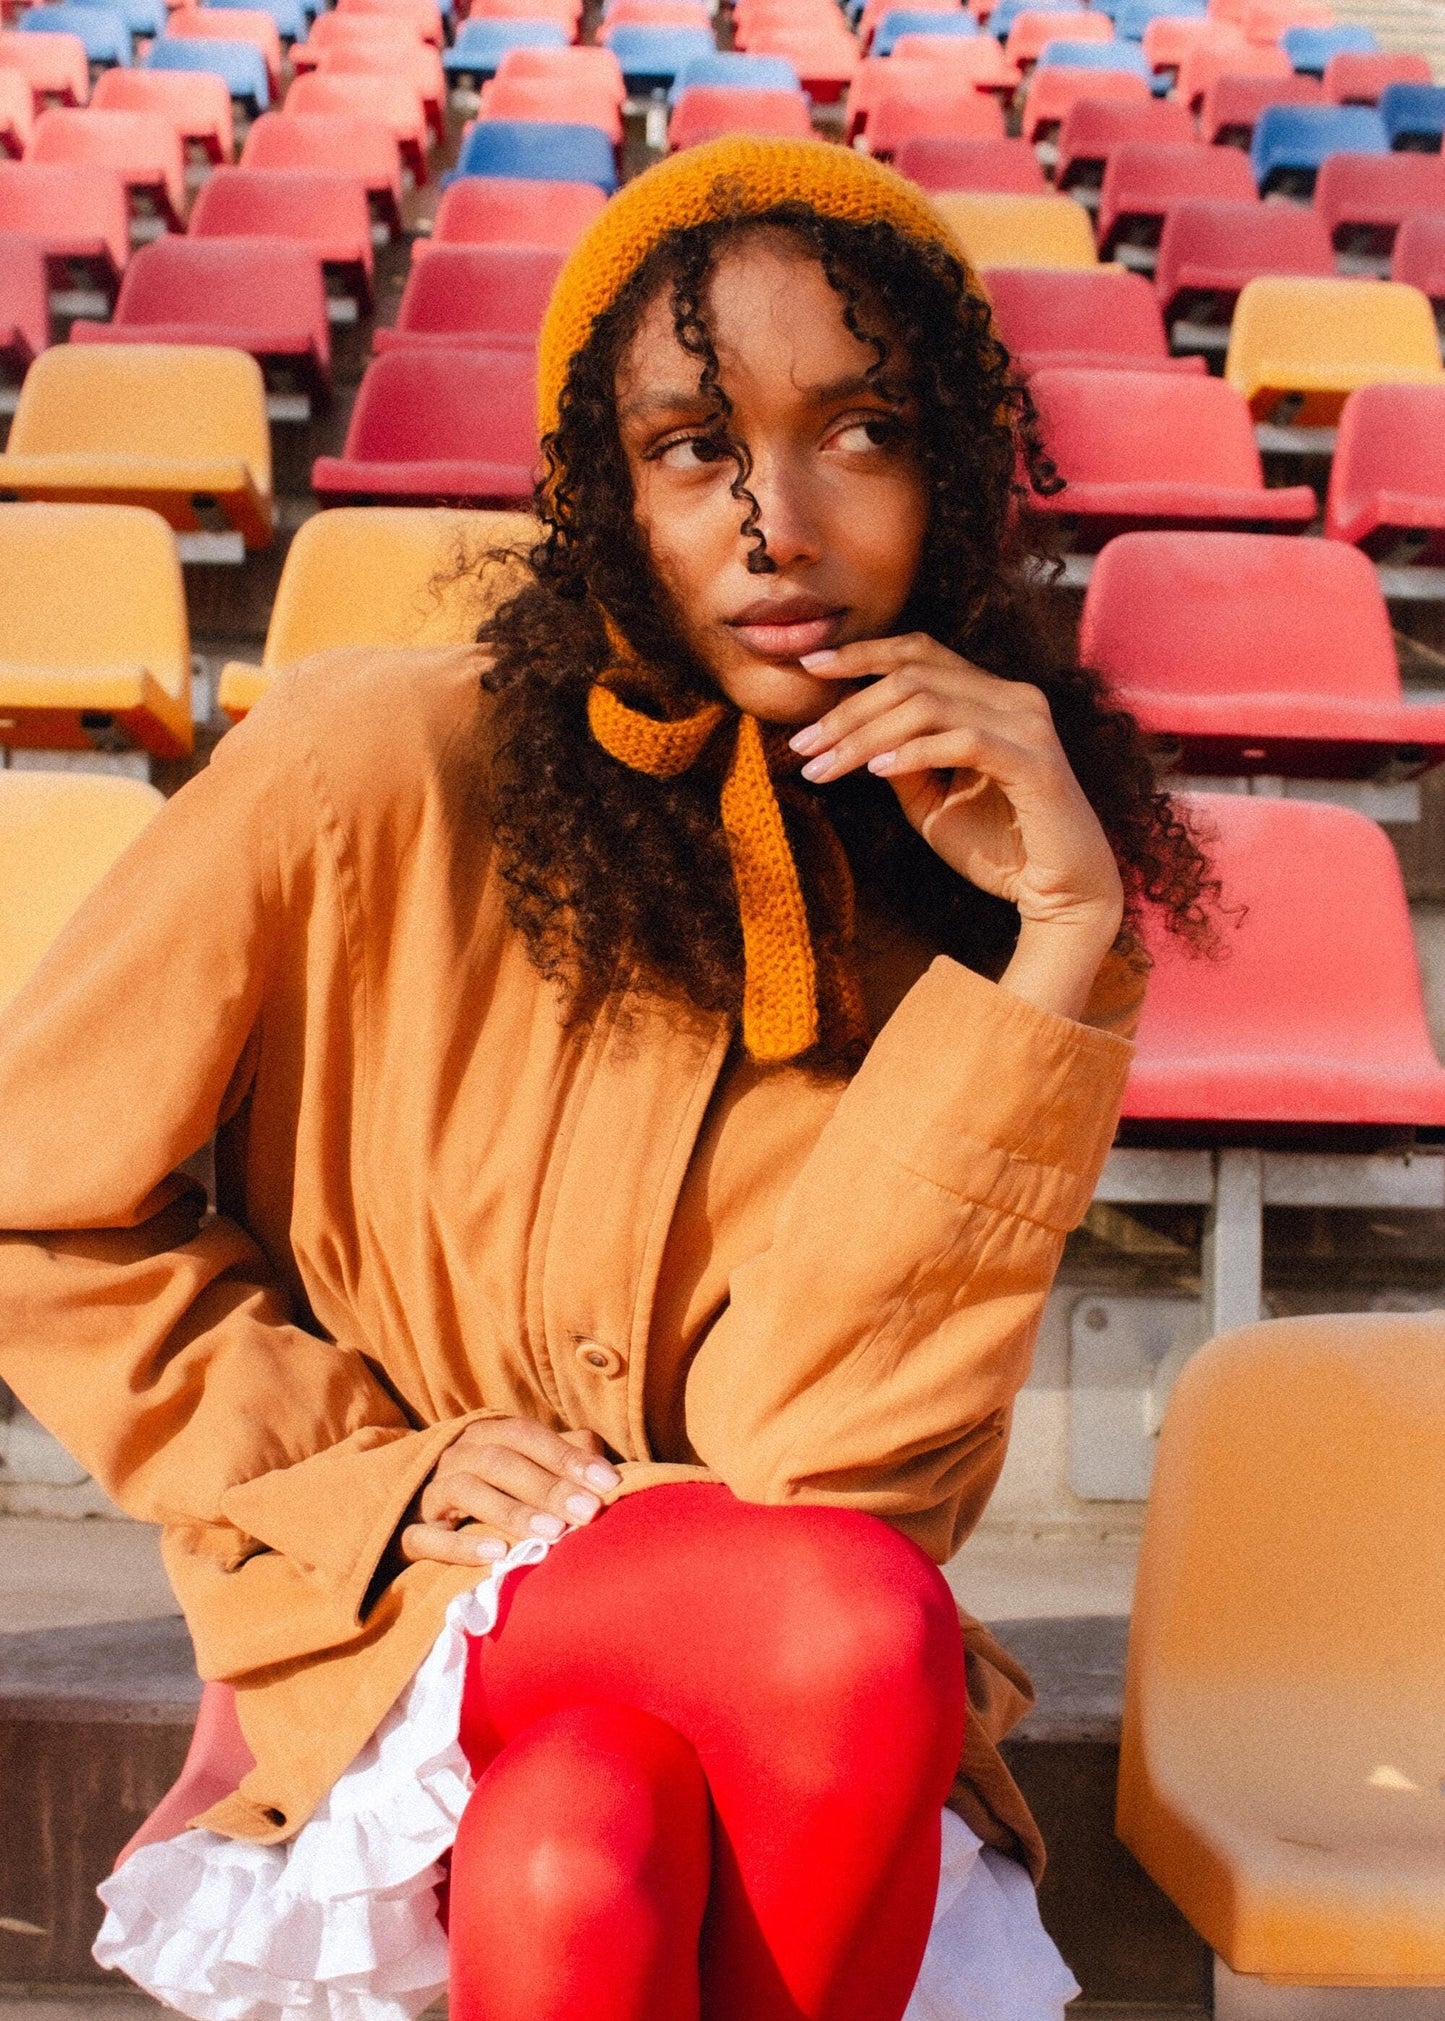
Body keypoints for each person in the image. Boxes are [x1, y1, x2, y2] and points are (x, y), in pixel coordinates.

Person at [0, 140, 1214, 2021]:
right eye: (692, 448)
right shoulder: (363, 763)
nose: (778, 522)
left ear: (956, 474)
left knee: (581, 1845)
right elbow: (35, 1189)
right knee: (847, 1631)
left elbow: (812, 1458)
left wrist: (1055, 945)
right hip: (394, 1602)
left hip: (757, 1678)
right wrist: (355, 1463)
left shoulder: (961, 886)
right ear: (600, 494)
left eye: (861, 431)